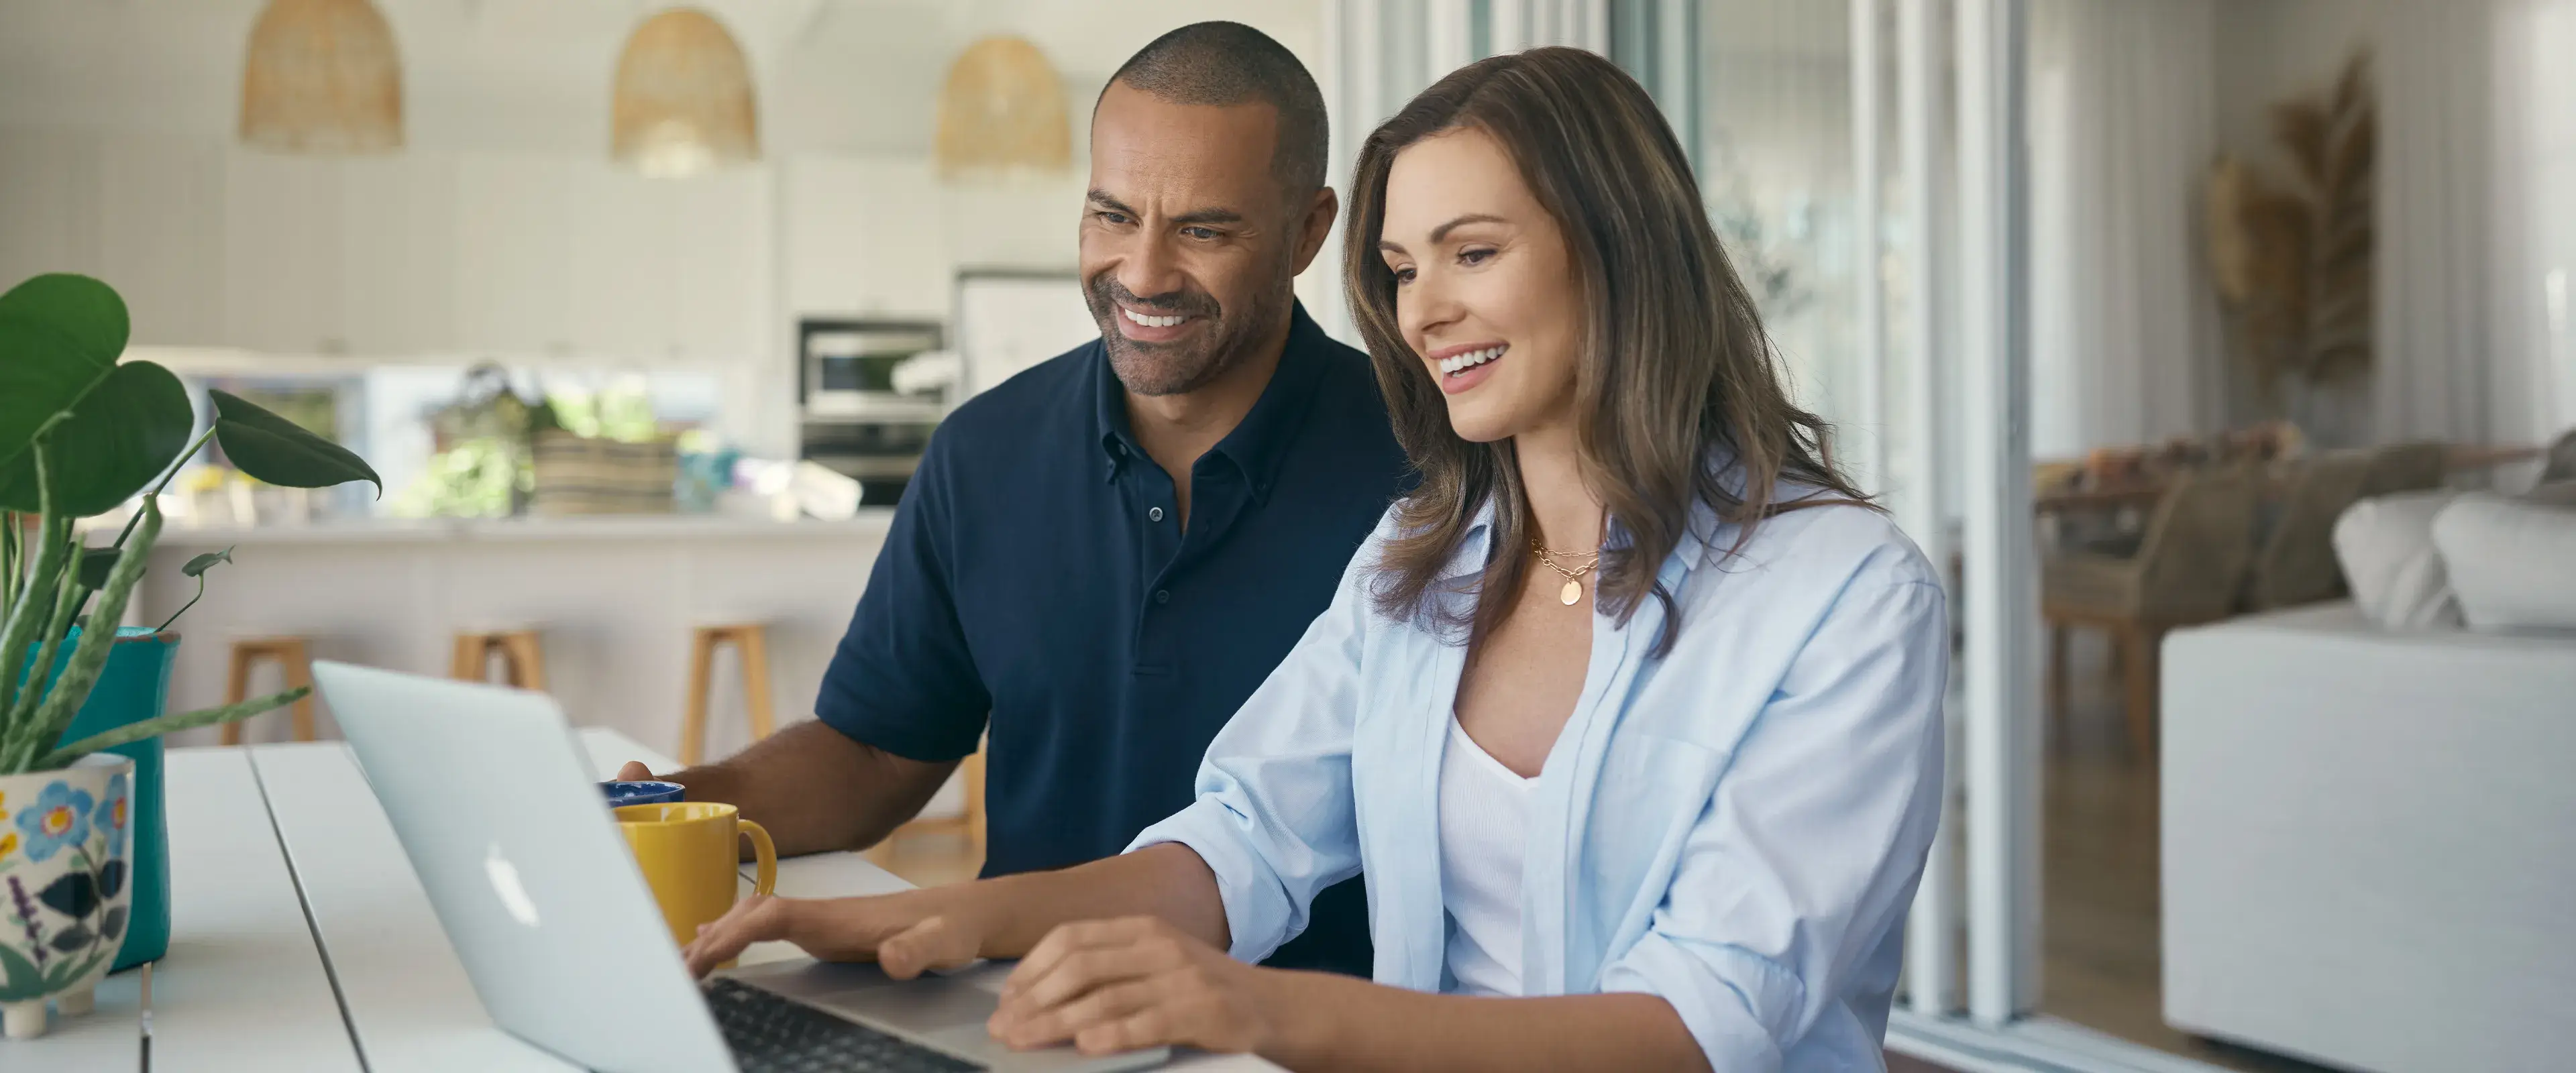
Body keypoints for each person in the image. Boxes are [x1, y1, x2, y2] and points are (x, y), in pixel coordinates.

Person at [682, 47, 1948, 1072]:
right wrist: (938, 920)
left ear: (1618, 248)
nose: (1423, 312)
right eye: (1403, 270)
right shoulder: (1432, 554)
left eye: (1474, 253)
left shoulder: (1841, 596)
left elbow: (1695, 1027)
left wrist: (1255, 1011)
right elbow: (1244, 840)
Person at [616, 22, 1402, 978]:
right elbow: (875, 756)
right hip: (1011, 1008)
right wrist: (678, 804)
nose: (1144, 273)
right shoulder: (985, 453)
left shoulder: (1430, 474)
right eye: (1112, 215)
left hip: (1304, 1034)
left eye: (1203, 229)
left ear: (1308, 233)